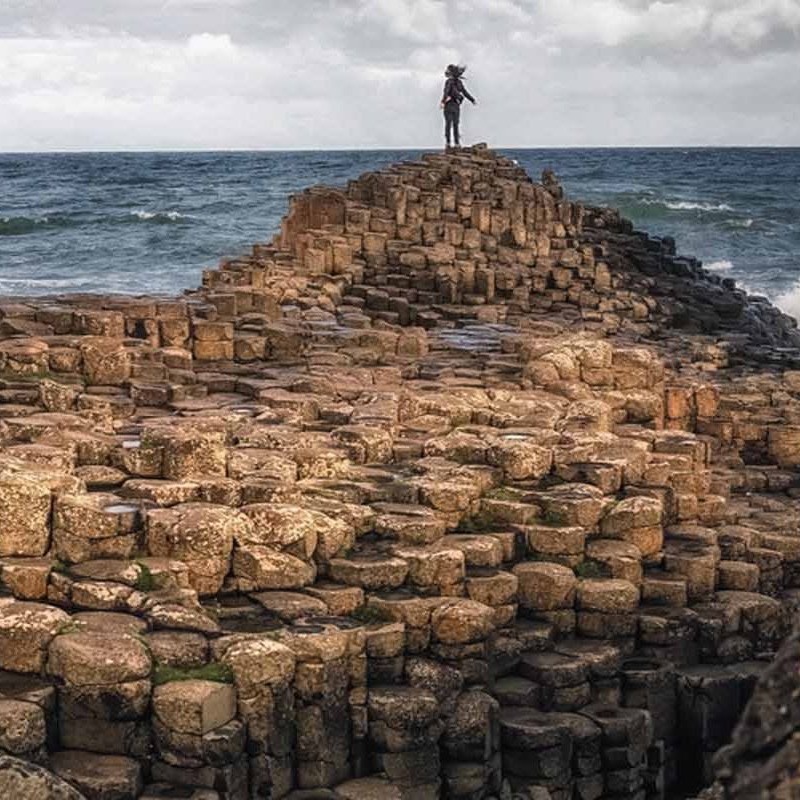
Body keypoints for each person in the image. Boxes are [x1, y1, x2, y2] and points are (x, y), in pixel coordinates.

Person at [440, 64, 476, 149]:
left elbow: (446, 91)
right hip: (456, 105)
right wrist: (472, 100)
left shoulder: (449, 81)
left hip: (449, 104)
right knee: (456, 124)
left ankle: (448, 143)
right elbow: (464, 92)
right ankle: (457, 143)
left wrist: (443, 101)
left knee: (448, 124)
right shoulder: (459, 82)